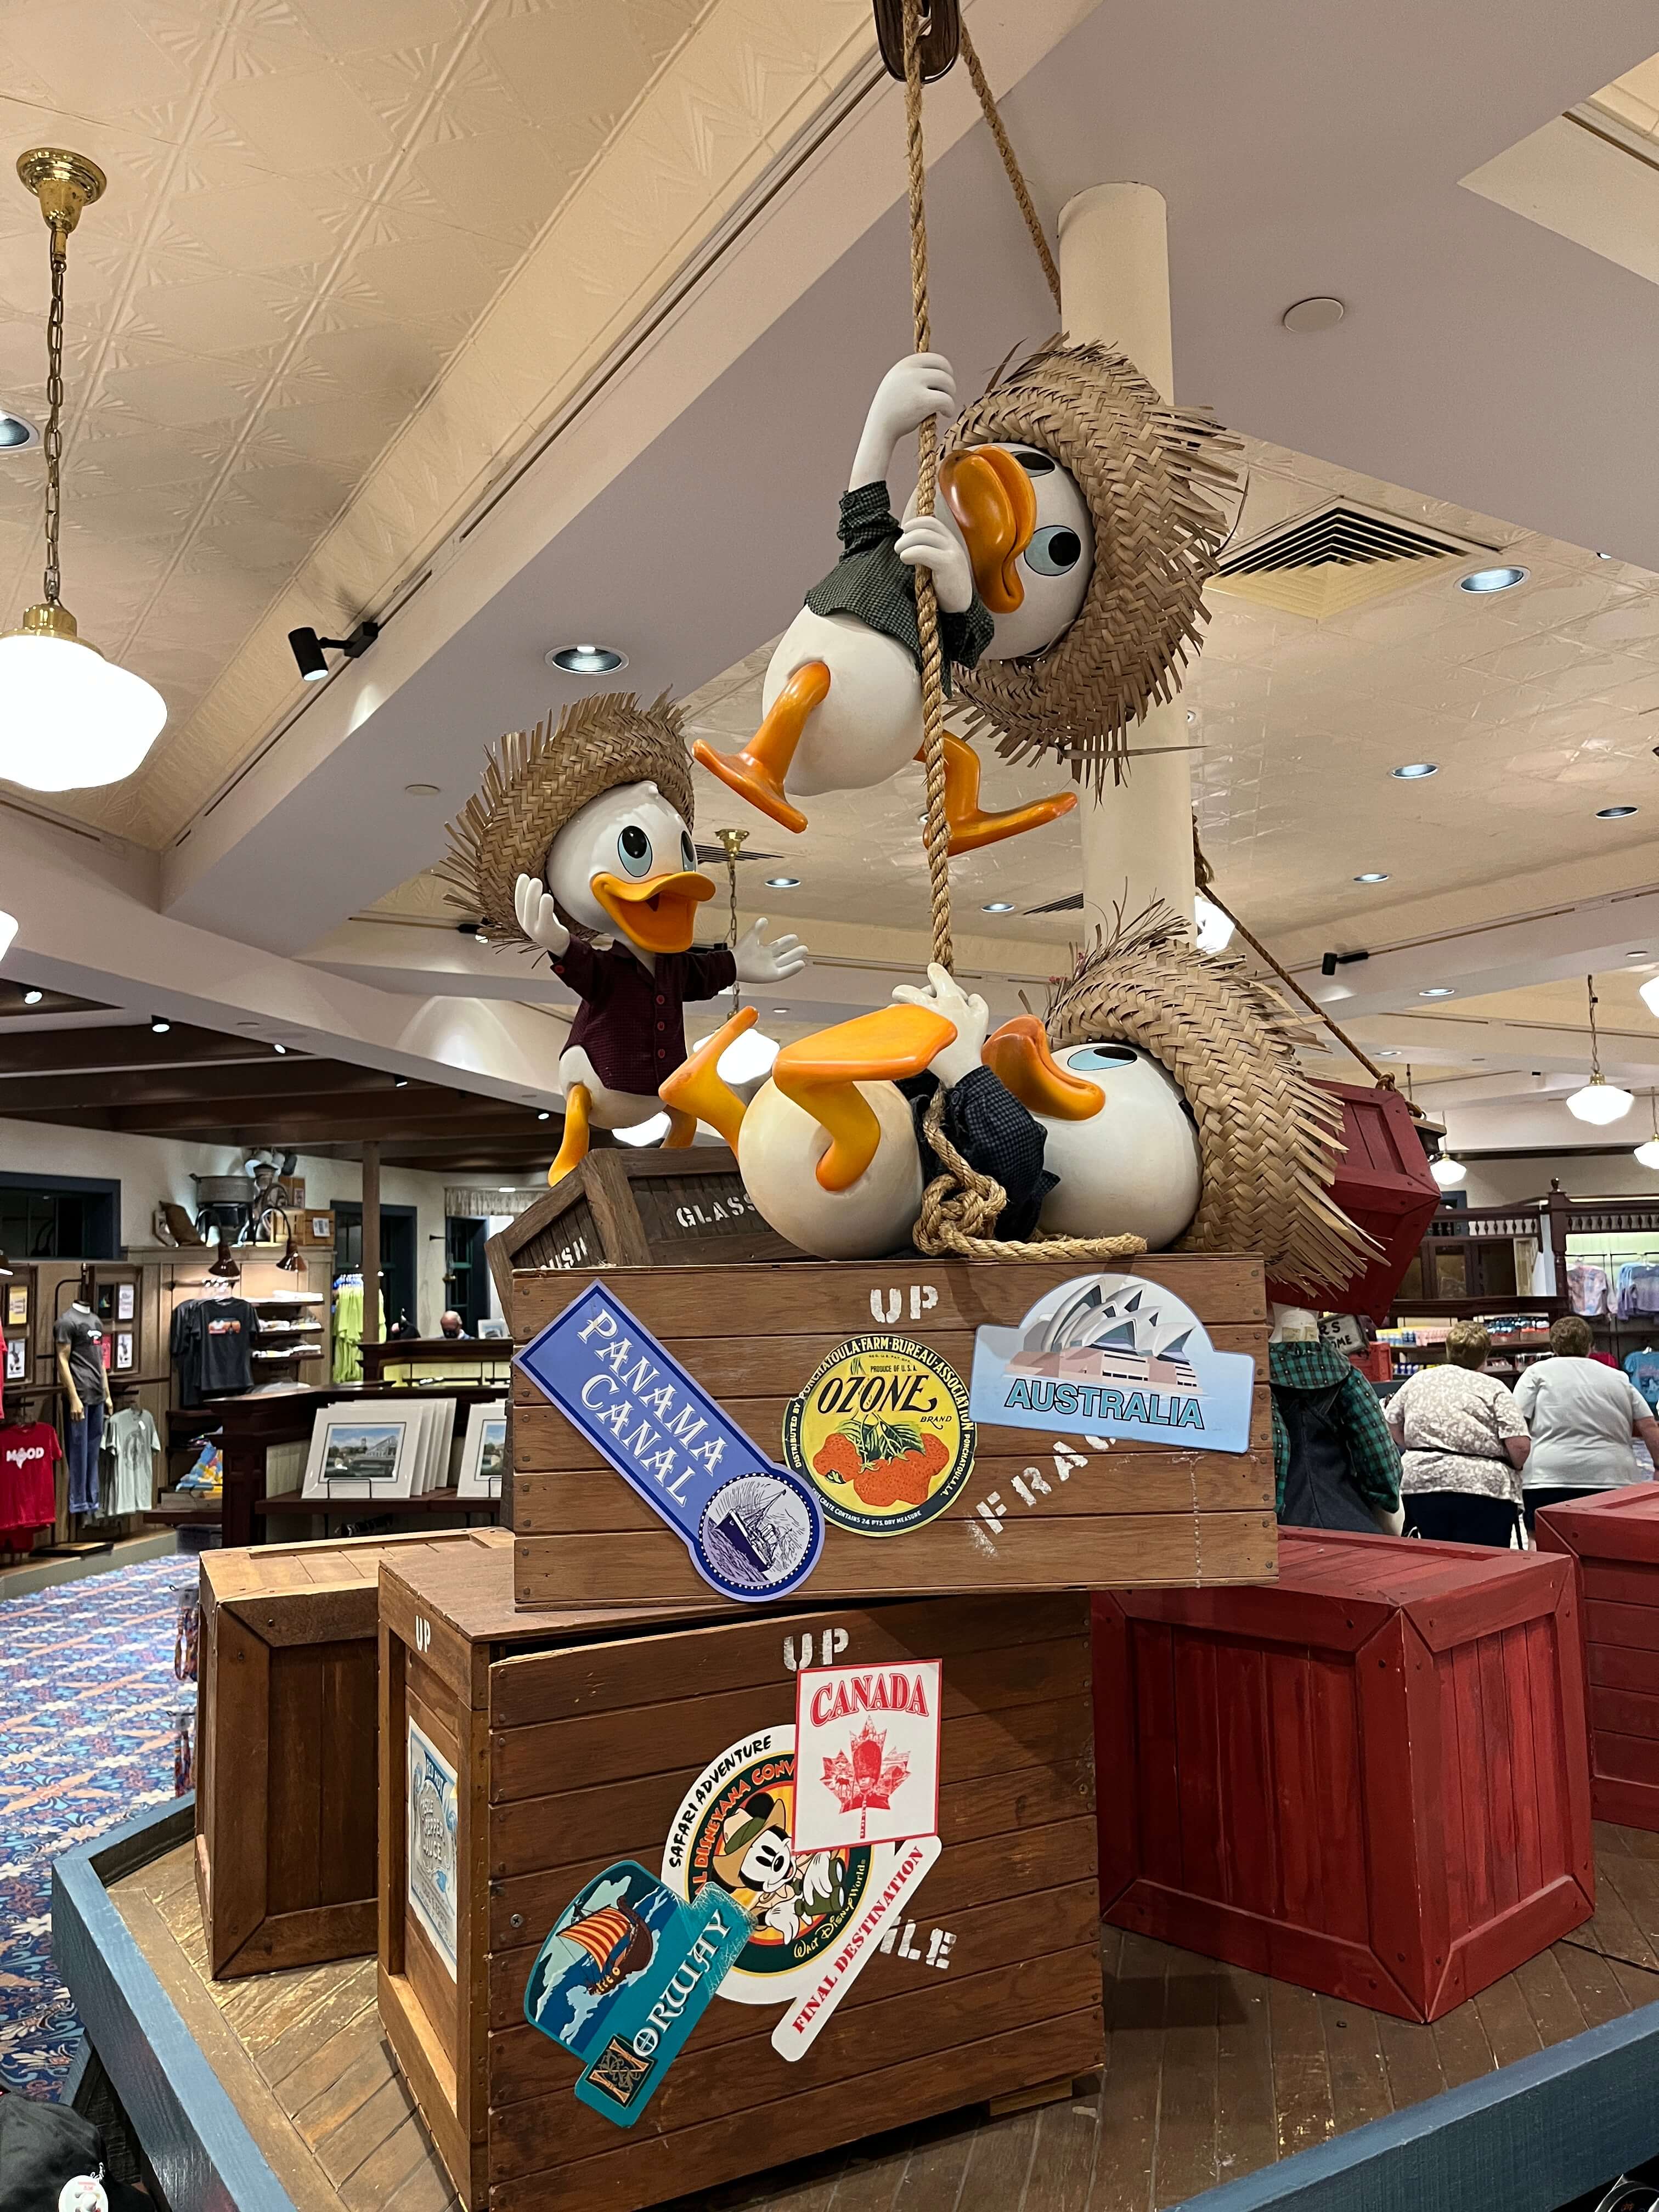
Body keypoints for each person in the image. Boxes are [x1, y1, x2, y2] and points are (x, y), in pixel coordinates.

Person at [1383, 1321, 1530, 1547]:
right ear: (1486, 1354)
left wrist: (1418, 1446)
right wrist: (1512, 1464)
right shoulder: (1494, 1388)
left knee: (1432, 1561)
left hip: (1422, 1485)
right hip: (1485, 1489)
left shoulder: (1420, 1380)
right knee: (1484, 1563)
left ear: (1448, 1350)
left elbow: (1391, 1424)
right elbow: (1520, 1446)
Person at [1514, 1313, 1659, 1528]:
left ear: (1554, 1346)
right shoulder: (1618, 1378)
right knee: (1608, 1547)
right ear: (1590, 1346)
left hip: (1548, 1476)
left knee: (1544, 1546)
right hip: (1613, 1477)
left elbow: (1516, 1422)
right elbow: (1648, 1425)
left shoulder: (1536, 1374)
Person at [1268, 1310, 1403, 1533]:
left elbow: (1275, 1456)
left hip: (1278, 1532)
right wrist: (1387, 1498)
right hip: (1350, 1524)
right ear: (1320, 1311)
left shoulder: (1251, 1379)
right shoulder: (1350, 1378)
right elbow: (1382, 1467)